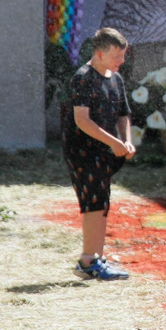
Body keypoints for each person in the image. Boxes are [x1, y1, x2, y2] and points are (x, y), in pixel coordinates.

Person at [63, 27, 134, 281]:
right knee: (93, 203)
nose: (121, 61)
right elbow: (81, 120)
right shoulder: (83, 77)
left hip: (105, 150)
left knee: (102, 202)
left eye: (123, 56)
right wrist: (114, 142)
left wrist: (126, 140)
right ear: (100, 53)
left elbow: (124, 114)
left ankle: (97, 257)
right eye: (117, 56)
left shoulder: (116, 78)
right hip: (82, 150)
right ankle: (87, 261)